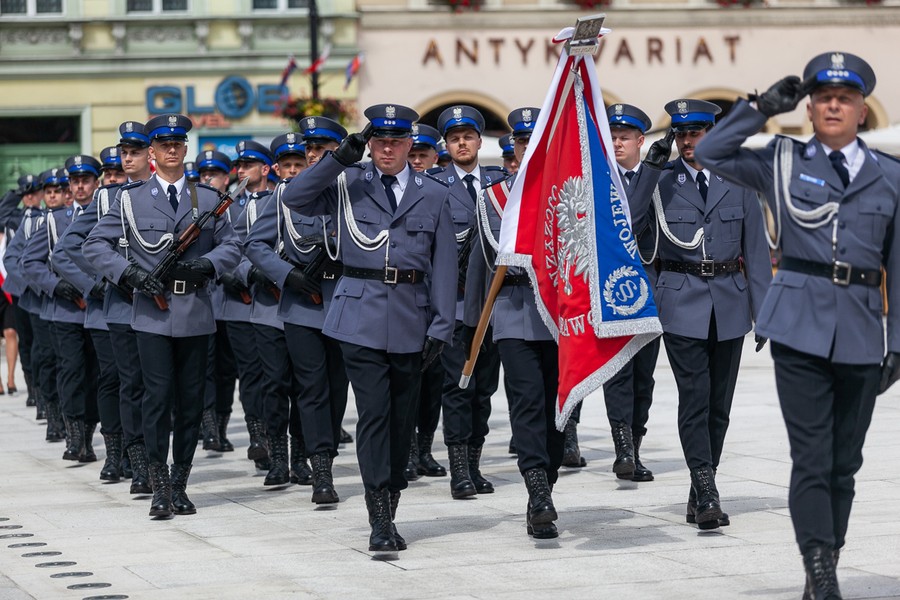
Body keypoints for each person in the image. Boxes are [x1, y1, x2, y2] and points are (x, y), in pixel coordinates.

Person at [695, 52, 898, 599]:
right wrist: (760, 108)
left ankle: (824, 561)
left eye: (845, 99)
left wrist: (898, 341)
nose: (834, 106)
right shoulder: (779, 160)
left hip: (861, 332)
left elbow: (899, 269)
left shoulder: (890, 176)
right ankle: (822, 573)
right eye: (823, 97)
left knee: (844, 463)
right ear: (808, 108)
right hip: (797, 327)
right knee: (811, 457)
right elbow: (711, 152)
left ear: (861, 110)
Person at [281, 103, 456, 552]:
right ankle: (379, 517)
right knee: (375, 414)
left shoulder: (433, 193)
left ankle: (391, 500)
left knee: (401, 419)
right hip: (358, 314)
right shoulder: (347, 182)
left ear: (410, 144)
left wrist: (442, 326)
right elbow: (294, 197)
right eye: (379, 141)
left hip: (412, 316)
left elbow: (444, 266)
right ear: (370, 143)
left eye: (396, 141)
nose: (387, 149)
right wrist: (339, 157)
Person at [84, 113, 240, 519]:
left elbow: (232, 244)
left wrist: (207, 264)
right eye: (164, 144)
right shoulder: (129, 199)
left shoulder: (207, 199)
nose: (172, 149)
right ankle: (158, 486)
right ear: (151, 151)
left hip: (195, 312)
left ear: (185, 149)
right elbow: (94, 246)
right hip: (151, 314)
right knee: (155, 400)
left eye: (178, 143)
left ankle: (181, 484)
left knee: (190, 402)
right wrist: (129, 273)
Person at [636, 99, 771, 531]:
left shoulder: (739, 179)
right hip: (680, 302)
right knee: (694, 399)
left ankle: (699, 489)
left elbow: (756, 250)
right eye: (681, 134)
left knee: (719, 407)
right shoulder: (661, 180)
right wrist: (648, 170)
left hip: (730, 302)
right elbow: (631, 224)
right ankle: (708, 489)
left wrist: (765, 311)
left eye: (695, 133)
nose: (687, 141)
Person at [464, 106, 565, 539]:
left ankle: (547, 480)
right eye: (522, 141)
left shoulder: (570, 193)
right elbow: (482, 261)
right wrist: (472, 324)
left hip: (560, 313)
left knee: (558, 407)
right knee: (526, 402)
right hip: (515, 309)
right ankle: (537, 489)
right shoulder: (495, 197)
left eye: (535, 140)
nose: (528, 147)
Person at [246, 122, 350, 497]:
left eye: (323, 147)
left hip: (345, 301)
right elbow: (255, 244)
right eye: (311, 148)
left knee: (337, 389)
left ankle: (323, 452)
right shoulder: (284, 195)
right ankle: (319, 468)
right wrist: (287, 275)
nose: (314, 154)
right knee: (311, 387)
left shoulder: (354, 191)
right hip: (303, 304)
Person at [428, 105, 506, 500]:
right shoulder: (434, 185)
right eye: (455, 138)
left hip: (493, 307)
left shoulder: (500, 184)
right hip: (457, 306)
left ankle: (474, 465)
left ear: (479, 141)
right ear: (446, 145)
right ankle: (458, 469)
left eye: (468, 137)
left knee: (484, 390)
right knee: (458, 387)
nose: (462, 144)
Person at [600, 103, 665, 482]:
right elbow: (631, 221)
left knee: (644, 377)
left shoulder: (660, 180)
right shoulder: (601, 183)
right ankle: (622, 448)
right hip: (613, 293)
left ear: (641, 141)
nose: (617, 143)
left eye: (624, 137)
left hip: (651, 291)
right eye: (612, 136)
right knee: (618, 372)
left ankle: (635, 446)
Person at [22, 158, 102, 463]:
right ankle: (75, 437)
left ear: (96, 183)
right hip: (66, 311)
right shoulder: (55, 220)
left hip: (98, 308)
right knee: (71, 372)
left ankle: (90, 436)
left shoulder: (106, 215)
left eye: (86, 180)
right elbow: (30, 262)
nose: (80, 186)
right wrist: (57, 286)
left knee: (96, 374)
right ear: (70, 186)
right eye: (75, 181)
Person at [404, 122, 447, 480]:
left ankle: (425, 447)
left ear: (436, 156)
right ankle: (406, 449)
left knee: (434, 384)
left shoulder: (441, 193)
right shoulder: (398, 192)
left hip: (438, 301)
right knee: (406, 383)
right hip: (407, 300)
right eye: (413, 154)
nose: (417, 161)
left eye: (423, 154)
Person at [194, 149, 239, 454]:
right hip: (207, 299)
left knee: (228, 370)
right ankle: (209, 428)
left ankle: (221, 427)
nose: (208, 179)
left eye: (215, 174)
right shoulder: (196, 209)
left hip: (235, 303)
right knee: (206, 368)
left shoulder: (239, 208)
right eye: (204, 175)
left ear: (226, 178)